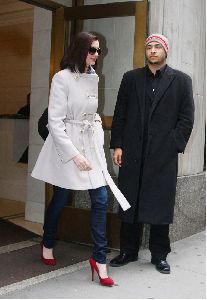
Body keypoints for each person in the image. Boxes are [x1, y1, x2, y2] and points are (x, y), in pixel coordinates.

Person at [31, 31, 130, 286]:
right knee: (62, 197)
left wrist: (94, 121)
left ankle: (99, 259)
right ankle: (48, 239)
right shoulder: (61, 78)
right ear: (80, 49)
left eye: (98, 50)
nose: (97, 55)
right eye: (92, 50)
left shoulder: (93, 76)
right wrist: (74, 155)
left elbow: (88, 112)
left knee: (100, 197)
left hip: (90, 144)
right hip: (68, 146)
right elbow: (54, 122)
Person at [109, 34, 194, 274]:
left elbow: (186, 118)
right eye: (149, 47)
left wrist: (173, 145)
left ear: (165, 51)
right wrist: (118, 145)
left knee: (159, 204)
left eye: (157, 47)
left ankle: (159, 255)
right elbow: (120, 114)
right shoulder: (130, 78)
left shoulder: (181, 81)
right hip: (132, 152)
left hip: (162, 154)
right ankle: (128, 250)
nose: (153, 51)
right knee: (129, 202)